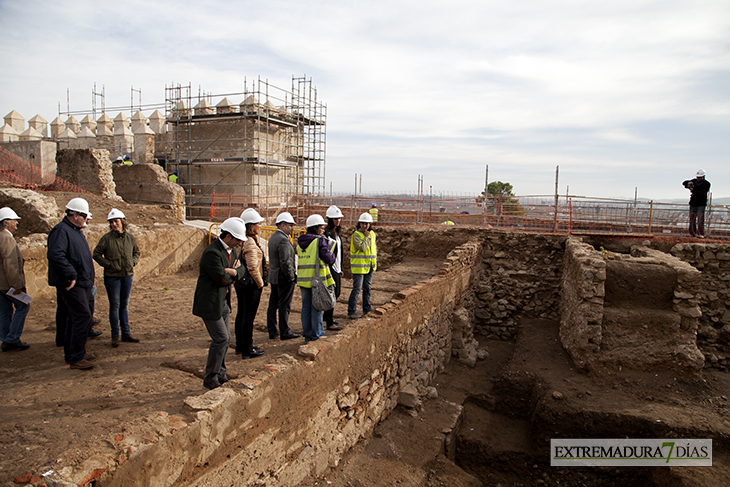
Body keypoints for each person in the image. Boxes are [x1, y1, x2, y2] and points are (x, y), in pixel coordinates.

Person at [193, 217, 247, 390]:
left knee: (225, 338)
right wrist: (235, 273)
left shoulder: (231, 251)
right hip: (210, 303)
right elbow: (220, 279)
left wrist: (233, 271)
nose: (239, 243)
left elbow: (242, 269)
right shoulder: (212, 253)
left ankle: (220, 373)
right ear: (228, 236)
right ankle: (210, 377)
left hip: (223, 301)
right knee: (221, 338)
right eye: (238, 239)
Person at [47, 198, 96, 369]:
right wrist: (71, 274)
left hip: (81, 282)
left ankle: (74, 353)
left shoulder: (74, 230)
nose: (87, 220)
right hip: (71, 283)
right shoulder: (61, 231)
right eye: (84, 216)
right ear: (75, 215)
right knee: (82, 316)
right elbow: (55, 255)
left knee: (74, 317)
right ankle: (76, 357)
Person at [93, 209, 141, 348]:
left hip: (127, 275)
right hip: (112, 277)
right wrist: (108, 265)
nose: (114, 224)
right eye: (112, 222)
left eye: (116, 221)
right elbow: (96, 254)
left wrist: (133, 262)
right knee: (115, 306)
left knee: (124, 305)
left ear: (122, 222)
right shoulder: (106, 239)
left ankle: (126, 333)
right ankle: (115, 335)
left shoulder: (130, 238)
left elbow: (136, 251)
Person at [234, 208, 268, 359]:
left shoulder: (245, 241)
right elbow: (253, 267)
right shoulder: (249, 242)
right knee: (248, 317)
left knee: (242, 314)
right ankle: (247, 349)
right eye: (258, 224)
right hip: (251, 286)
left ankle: (241, 346)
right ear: (251, 226)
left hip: (243, 285)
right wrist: (260, 284)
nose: (260, 226)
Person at [296, 214, 335, 343]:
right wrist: (333, 255)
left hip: (303, 280)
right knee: (317, 308)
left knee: (306, 308)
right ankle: (316, 335)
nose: (323, 230)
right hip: (316, 280)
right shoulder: (319, 241)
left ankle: (307, 335)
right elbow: (328, 258)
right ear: (315, 228)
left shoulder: (300, 242)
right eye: (321, 227)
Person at [266, 212, 300, 340]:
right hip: (283, 276)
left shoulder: (273, 238)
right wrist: (291, 277)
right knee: (284, 305)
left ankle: (272, 330)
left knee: (273, 304)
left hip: (274, 275)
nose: (292, 228)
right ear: (282, 225)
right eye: (290, 225)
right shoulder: (283, 240)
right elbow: (286, 262)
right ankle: (284, 331)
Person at [0, 207, 30, 352]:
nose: (16, 224)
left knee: (4, 311)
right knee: (23, 306)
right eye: (14, 221)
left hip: (1, 284)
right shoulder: (6, 238)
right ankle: (12, 339)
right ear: (6, 223)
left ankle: (6, 339)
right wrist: (16, 285)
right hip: (8, 284)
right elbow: (10, 263)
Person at [348, 212, 377, 319]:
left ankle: (366, 307)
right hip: (359, 267)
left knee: (367, 288)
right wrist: (366, 238)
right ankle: (351, 311)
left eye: (367, 224)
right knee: (356, 289)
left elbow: (373, 250)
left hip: (369, 266)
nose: (365, 226)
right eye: (363, 223)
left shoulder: (372, 234)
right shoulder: (356, 235)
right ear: (359, 224)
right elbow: (362, 248)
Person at [323, 206, 344, 331]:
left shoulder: (337, 233)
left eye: (339, 219)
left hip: (337, 268)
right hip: (330, 268)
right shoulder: (327, 234)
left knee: (337, 293)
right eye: (335, 219)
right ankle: (329, 322)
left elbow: (339, 252)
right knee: (332, 294)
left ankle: (327, 316)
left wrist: (340, 267)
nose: (338, 221)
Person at [683, 169, 711, 238]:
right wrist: (688, 183)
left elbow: (701, 193)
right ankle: (692, 233)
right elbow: (684, 183)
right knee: (692, 219)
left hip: (701, 204)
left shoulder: (706, 184)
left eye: (699, 177)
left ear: (703, 177)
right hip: (693, 203)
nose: (698, 178)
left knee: (700, 219)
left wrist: (693, 190)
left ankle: (700, 233)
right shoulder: (694, 181)